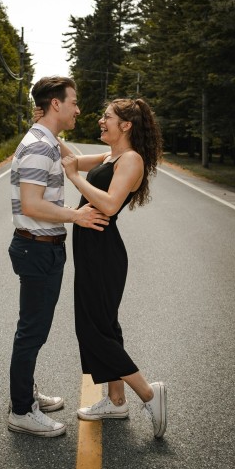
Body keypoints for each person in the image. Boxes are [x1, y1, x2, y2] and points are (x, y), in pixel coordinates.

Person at [7, 76, 109, 438]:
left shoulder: (49, 141)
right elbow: (33, 204)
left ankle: (26, 394)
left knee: (35, 329)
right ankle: (21, 410)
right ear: (56, 104)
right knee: (31, 331)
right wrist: (76, 215)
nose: (78, 109)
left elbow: (81, 161)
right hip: (36, 247)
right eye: (74, 102)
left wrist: (126, 150)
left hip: (43, 248)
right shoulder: (39, 146)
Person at [60, 97, 168, 438]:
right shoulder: (112, 156)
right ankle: (116, 401)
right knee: (104, 326)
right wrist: (49, 124)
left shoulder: (132, 159)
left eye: (107, 117)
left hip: (104, 252)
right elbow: (70, 159)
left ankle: (149, 394)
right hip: (93, 250)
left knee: (92, 329)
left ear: (126, 125)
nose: (100, 121)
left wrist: (75, 179)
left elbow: (108, 203)